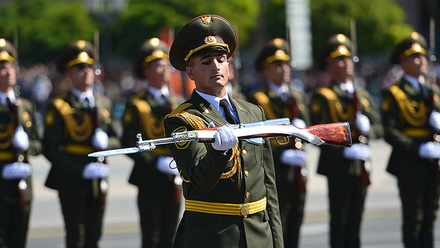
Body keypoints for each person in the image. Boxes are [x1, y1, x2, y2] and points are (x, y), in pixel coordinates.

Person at [163, 14, 283, 248]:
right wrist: (218, 152)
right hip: (214, 237)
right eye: (206, 61)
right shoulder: (182, 120)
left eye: (221, 59)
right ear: (190, 73)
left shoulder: (253, 112)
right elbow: (200, 180)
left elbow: (269, 186)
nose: (216, 66)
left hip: (259, 235)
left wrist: (277, 242)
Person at [43, 40, 120, 248]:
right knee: (76, 235)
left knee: (95, 234)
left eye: (89, 67)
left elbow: (117, 139)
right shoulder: (59, 106)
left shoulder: (103, 103)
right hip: (71, 179)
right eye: (79, 68)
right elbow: (50, 147)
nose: (86, 72)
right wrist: (80, 169)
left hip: (99, 177)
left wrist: (107, 143)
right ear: (69, 73)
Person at [310, 34, 383, 248]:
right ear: (329, 66)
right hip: (338, 167)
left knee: (356, 222)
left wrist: (369, 130)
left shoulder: (363, 95)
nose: (346, 64)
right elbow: (319, 134)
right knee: (340, 222)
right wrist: (344, 151)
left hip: (361, 166)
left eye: (349, 59)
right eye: (340, 60)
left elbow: (379, 128)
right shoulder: (323, 96)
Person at [122, 37, 184, 248]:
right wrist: (155, 162)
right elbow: (130, 142)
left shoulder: (178, 102)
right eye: (157, 65)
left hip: (175, 177)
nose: (164, 69)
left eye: (166, 64)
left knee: (172, 235)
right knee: (152, 237)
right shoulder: (137, 104)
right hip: (149, 178)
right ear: (146, 71)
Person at [248, 38, 310, 248]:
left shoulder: (297, 97)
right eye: (278, 65)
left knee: (295, 225)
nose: (284, 69)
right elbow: (254, 140)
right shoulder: (258, 99)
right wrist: (280, 154)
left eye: (286, 64)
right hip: (274, 172)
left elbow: (309, 130)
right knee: (278, 227)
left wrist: (303, 131)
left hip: (298, 170)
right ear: (266, 70)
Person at [381, 32, 440, 248]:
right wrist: (419, 148)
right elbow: (389, 131)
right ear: (403, 62)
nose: (421, 60)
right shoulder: (394, 93)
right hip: (409, 163)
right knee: (413, 219)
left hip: (433, 164)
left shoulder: (433, 91)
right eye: (414, 56)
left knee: (430, 218)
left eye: (423, 56)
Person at [0, 38, 42, 248]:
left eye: (10, 67)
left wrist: (26, 145)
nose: (8, 72)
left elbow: (37, 144)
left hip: (23, 182)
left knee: (19, 239)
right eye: (1, 68)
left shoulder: (25, 106)